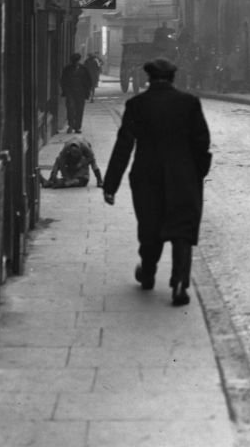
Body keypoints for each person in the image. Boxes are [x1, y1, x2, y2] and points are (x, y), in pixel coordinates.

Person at [101, 58, 212, 307]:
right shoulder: (189, 104)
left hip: (147, 176)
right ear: (173, 78)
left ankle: (148, 272)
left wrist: (110, 185)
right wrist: (197, 174)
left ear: (149, 79)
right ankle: (180, 283)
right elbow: (202, 143)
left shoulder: (137, 105)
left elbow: (124, 146)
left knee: (150, 227)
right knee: (182, 230)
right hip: (184, 177)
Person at [60, 52, 93, 134]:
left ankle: (77, 127)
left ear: (78, 60)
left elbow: (88, 81)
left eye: (76, 61)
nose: (75, 63)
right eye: (73, 61)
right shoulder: (67, 69)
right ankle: (71, 125)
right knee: (70, 108)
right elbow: (63, 80)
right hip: (70, 92)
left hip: (81, 93)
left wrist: (87, 91)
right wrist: (65, 90)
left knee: (79, 110)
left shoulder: (83, 69)